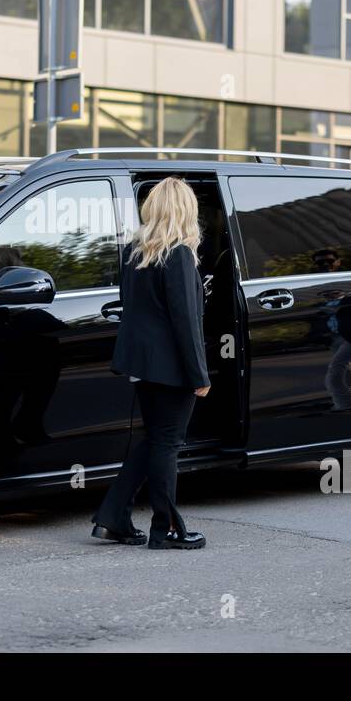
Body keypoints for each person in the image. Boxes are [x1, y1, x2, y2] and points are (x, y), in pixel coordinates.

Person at [92, 176, 210, 550]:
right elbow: (185, 322)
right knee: (168, 444)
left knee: (155, 441)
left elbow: (133, 309)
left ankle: (113, 518)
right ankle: (168, 529)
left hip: (141, 364)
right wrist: (199, 375)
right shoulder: (178, 254)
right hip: (173, 368)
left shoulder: (135, 252)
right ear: (185, 210)